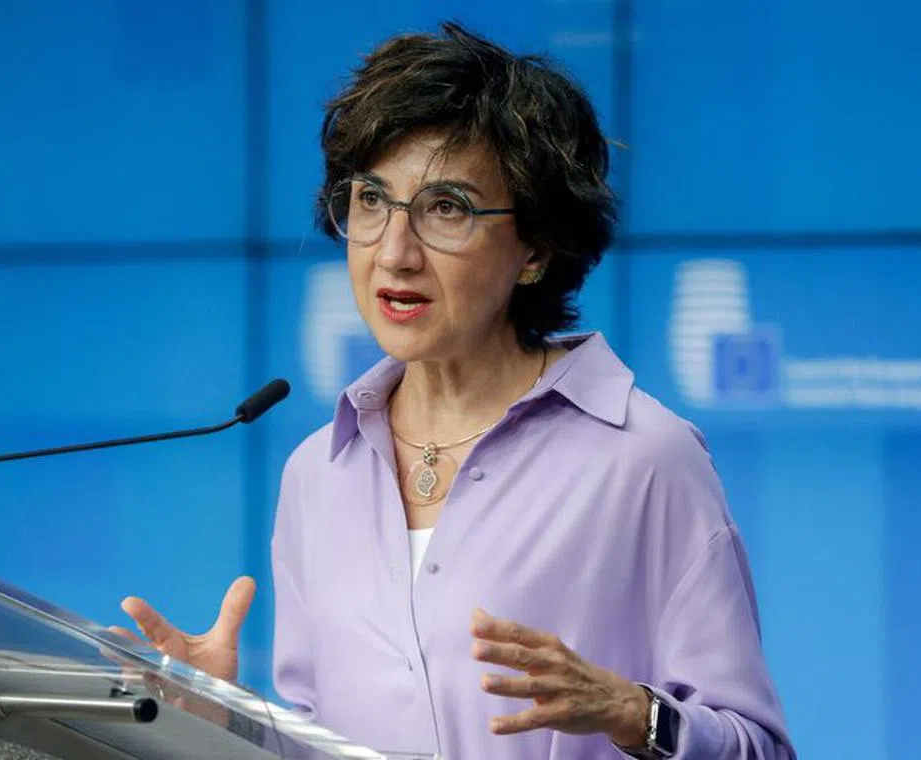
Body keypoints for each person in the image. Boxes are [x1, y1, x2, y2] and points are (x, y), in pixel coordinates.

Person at [118, 22, 796, 760]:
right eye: (371, 200)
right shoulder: (318, 472)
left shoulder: (645, 458)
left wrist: (632, 712)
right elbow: (317, 739)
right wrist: (224, 720)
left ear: (535, 247)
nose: (394, 252)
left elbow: (757, 748)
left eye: (447, 208)